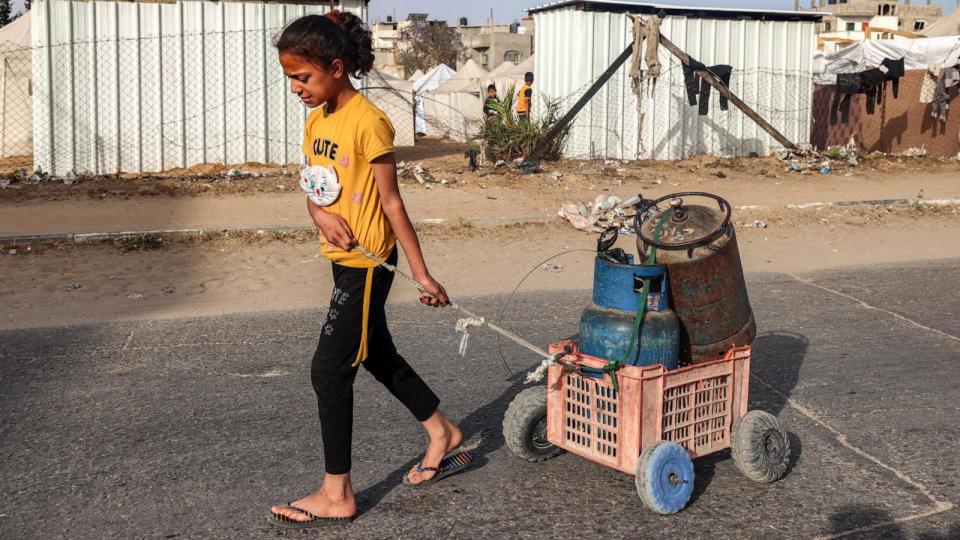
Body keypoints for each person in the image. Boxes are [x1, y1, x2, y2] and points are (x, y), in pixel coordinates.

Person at [271, 10, 467, 528]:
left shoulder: (370, 121)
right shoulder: (316, 118)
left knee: (330, 369)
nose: (296, 88)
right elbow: (313, 184)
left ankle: (338, 493)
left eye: (303, 77)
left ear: (336, 67)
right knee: (375, 350)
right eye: (289, 77)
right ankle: (441, 430)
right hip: (340, 257)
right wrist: (319, 214)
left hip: (368, 261)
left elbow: (393, 203)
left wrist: (423, 275)